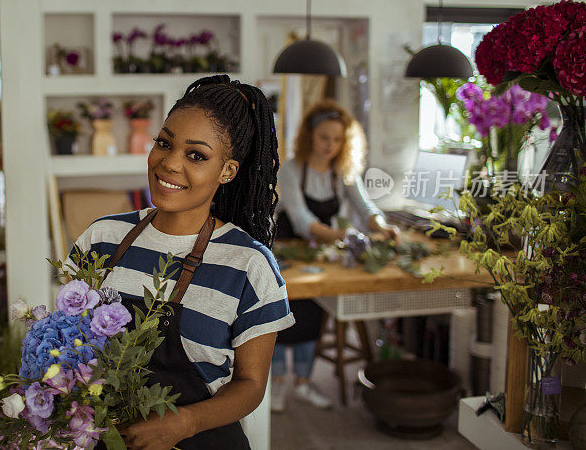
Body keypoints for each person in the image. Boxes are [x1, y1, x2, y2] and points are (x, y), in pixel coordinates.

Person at [64, 75, 295, 450]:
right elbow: (71, 343)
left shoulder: (249, 265)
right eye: (164, 143)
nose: (169, 163)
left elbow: (251, 387)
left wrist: (183, 423)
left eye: (196, 155)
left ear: (227, 171)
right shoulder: (100, 238)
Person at [270, 100, 401, 412]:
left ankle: (302, 382)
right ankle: (275, 383)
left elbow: (366, 208)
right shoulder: (290, 169)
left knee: (311, 318)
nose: (330, 145)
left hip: (315, 260)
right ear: (309, 136)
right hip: (282, 258)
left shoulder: (342, 172)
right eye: (324, 137)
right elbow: (302, 221)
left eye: (337, 139)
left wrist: (382, 227)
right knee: (276, 319)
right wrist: (346, 236)